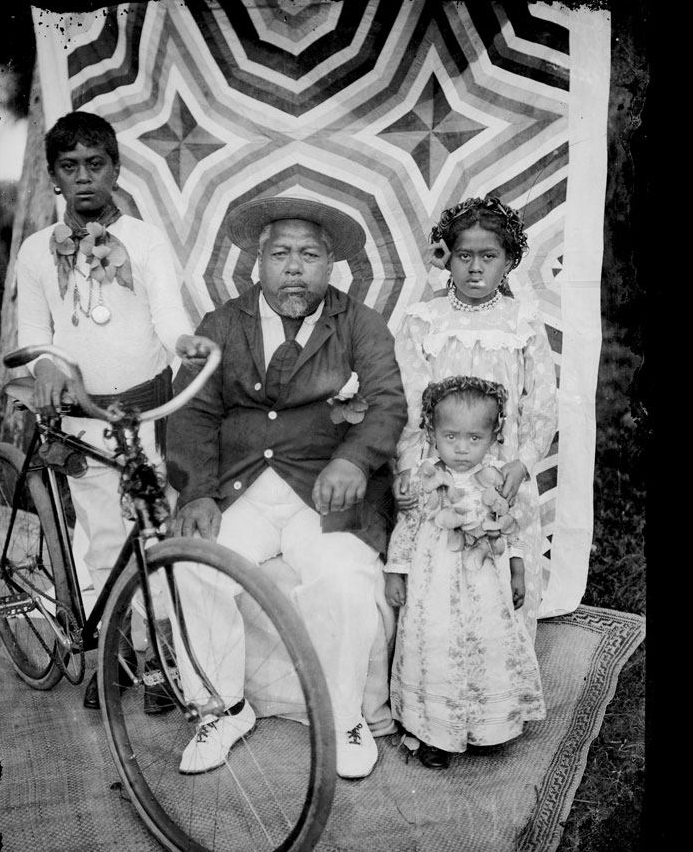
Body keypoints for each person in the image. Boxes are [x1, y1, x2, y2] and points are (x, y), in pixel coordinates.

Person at [165, 196, 408, 779]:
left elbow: (389, 402)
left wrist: (354, 459)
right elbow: (191, 411)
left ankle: (344, 715)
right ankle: (221, 708)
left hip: (324, 493)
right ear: (257, 263)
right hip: (240, 487)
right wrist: (198, 490)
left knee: (346, 580)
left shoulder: (359, 323)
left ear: (332, 266)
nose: (294, 268)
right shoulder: (222, 323)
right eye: (280, 254)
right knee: (193, 566)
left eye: (309, 255)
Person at [15, 110, 203, 710]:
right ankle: (117, 654)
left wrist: (183, 343)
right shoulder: (36, 251)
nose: (85, 178)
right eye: (70, 168)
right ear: (53, 178)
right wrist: (45, 364)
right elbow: (34, 332)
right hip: (82, 422)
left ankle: (157, 656)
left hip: (143, 421)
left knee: (150, 535)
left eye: (96, 165)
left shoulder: (146, 241)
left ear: (116, 169)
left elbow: (168, 317)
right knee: (101, 539)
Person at [393, 194, 558, 641]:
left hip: (503, 470)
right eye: (464, 255)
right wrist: (412, 469)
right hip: (440, 469)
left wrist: (523, 462)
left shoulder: (522, 320)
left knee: (502, 566)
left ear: (509, 261)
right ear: (447, 258)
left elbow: (541, 400)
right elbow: (410, 404)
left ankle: (501, 677)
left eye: (489, 256)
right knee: (443, 572)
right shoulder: (423, 321)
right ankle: (442, 680)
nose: (475, 268)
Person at [384, 376, 546, 768]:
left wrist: (518, 572)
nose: (461, 448)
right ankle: (434, 733)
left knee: (485, 644)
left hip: (483, 587)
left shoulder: (495, 481)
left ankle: (486, 724)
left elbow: (513, 528)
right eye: (450, 436)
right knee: (437, 648)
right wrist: (396, 572)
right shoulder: (425, 480)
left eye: (474, 438)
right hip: (433, 587)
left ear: (493, 438)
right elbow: (406, 529)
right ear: (431, 434)